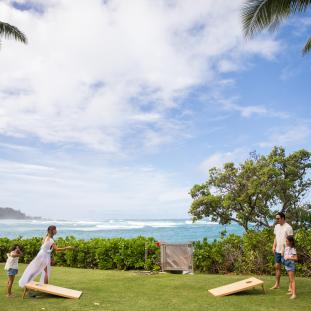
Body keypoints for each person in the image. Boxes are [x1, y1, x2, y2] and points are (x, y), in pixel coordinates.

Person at [271, 212, 293, 290]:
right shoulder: (276, 226)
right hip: (277, 250)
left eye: (278, 218)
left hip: (286, 251)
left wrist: (285, 249)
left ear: (283, 218)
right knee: (277, 267)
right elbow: (275, 237)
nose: (277, 220)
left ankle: (290, 286)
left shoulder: (288, 227)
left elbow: (290, 241)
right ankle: (277, 284)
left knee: (289, 269)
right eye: (276, 219)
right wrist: (274, 246)